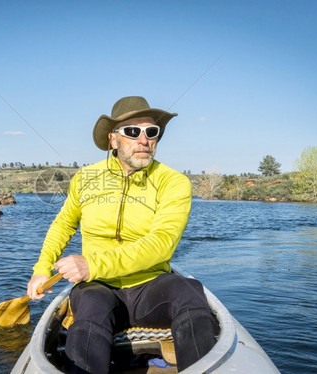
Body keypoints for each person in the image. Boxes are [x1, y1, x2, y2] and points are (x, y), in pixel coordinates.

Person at [27, 96, 218, 373]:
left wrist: (91, 264)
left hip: (151, 286)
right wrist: (42, 269)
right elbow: (63, 225)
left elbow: (161, 245)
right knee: (91, 304)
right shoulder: (86, 178)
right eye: (132, 131)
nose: (144, 139)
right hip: (98, 286)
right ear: (113, 140)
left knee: (188, 292)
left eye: (152, 132)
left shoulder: (174, 182)